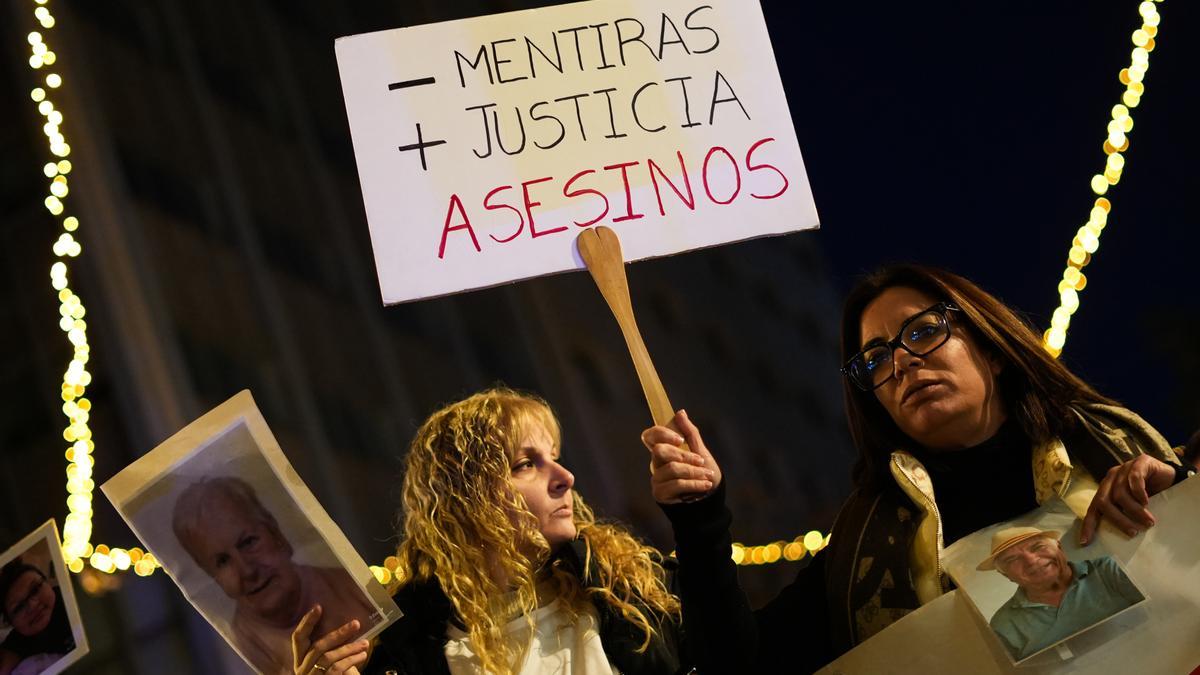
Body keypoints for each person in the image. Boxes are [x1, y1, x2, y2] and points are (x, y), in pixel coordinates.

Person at [641, 263, 1194, 672]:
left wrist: (1180, 504)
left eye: (924, 331)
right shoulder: (865, 551)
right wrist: (699, 518)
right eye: (876, 359)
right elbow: (738, 666)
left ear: (991, 347)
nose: (902, 361)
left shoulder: (1107, 448)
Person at [291, 387, 692, 675]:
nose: (565, 477)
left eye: (553, 458)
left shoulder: (631, 592)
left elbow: (736, 653)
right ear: (466, 500)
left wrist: (700, 517)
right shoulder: (404, 650)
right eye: (525, 464)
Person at [172, 476, 376, 675]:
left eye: (248, 542)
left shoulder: (352, 586)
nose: (247, 571)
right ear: (212, 575)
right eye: (222, 561)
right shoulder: (235, 661)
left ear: (275, 532)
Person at [977, 527, 1142, 660]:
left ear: (1060, 548)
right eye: (1013, 560)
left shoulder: (1108, 570)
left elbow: (1161, 613)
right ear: (1007, 576)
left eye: (1038, 547)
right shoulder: (1002, 625)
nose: (1031, 561)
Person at [0, 560, 75, 675]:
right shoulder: (17, 642)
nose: (33, 605)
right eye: (19, 607)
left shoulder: (72, 600)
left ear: (48, 583)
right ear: (10, 623)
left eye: (35, 589)